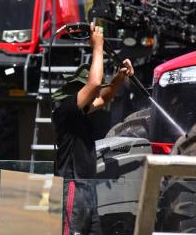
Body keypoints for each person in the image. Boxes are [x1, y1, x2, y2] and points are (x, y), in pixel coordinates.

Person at [51, 23, 134, 235]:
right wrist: (97, 46)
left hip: (86, 188)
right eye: (87, 91)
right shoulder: (65, 108)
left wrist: (119, 76)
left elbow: (104, 97)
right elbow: (96, 83)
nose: (93, 97)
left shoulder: (80, 111)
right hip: (72, 188)